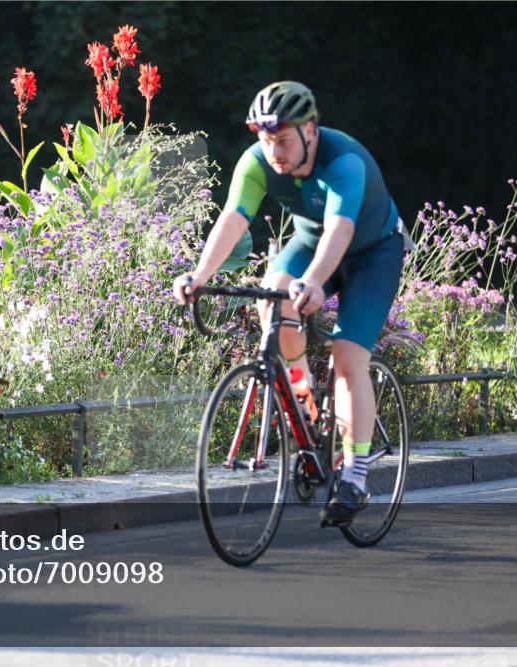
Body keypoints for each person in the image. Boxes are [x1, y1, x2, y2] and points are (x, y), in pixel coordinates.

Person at [172, 81, 413, 524]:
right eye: (266, 140)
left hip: (372, 253)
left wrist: (317, 282)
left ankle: (356, 475)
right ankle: (307, 411)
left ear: (311, 130)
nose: (274, 151)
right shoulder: (257, 161)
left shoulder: (344, 161)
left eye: (283, 140)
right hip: (310, 242)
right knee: (272, 308)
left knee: (346, 357)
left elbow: (340, 230)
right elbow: (232, 217)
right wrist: (199, 275)